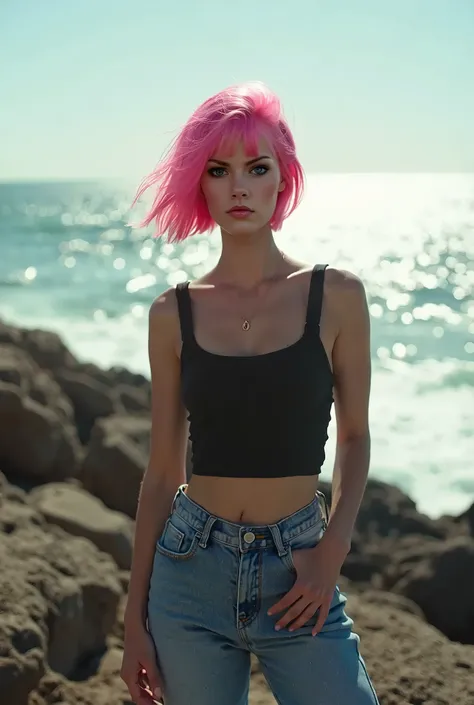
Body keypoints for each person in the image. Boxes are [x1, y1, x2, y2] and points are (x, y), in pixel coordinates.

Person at [120, 81, 379, 705]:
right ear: (200, 185)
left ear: (281, 181)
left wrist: (332, 551)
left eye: (257, 168)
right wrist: (134, 623)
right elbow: (161, 473)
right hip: (188, 573)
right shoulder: (171, 314)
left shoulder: (335, 296)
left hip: (297, 568)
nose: (239, 186)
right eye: (219, 170)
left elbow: (355, 436)